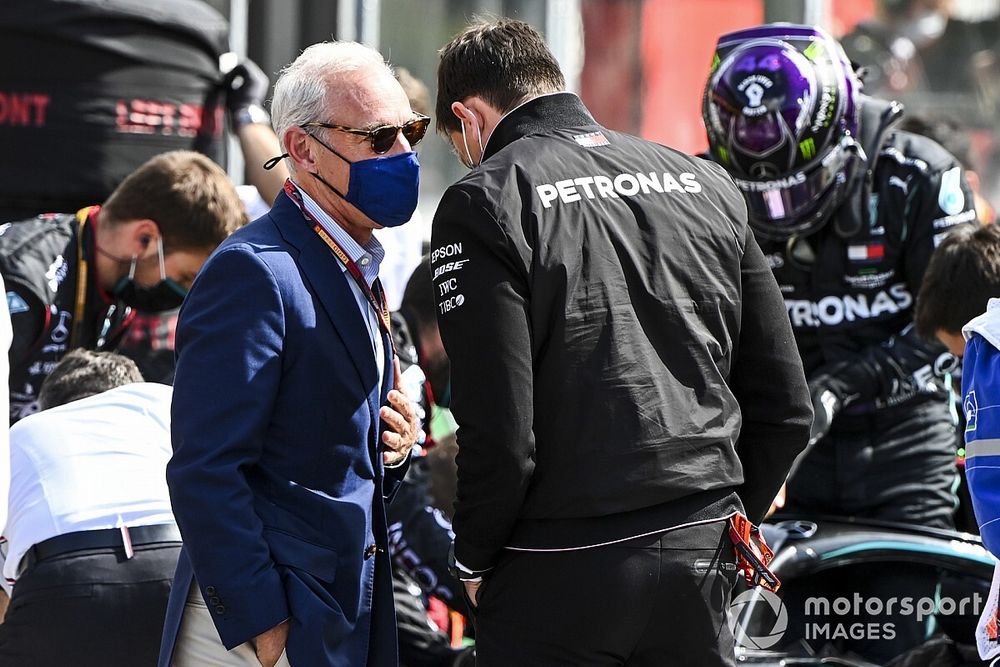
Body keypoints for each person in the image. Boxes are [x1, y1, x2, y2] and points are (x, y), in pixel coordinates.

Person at [432, 19, 812, 666]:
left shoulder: (484, 199)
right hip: (704, 556)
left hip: (557, 569)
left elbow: (500, 431)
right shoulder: (707, 182)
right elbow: (786, 406)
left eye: (460, 142)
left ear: (469, 119)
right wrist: (723, 525)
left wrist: (472, 557)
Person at [702, 23, 978, 660]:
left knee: (889, 645)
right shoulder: (703, 190)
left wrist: (839, 388)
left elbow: (959, 331)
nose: (777, 208)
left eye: (794, 181)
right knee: (771, 651)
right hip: (779, 468)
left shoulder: (920, 178)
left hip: (902, 459)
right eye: (759, 188)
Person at [158, 40, 424, 667]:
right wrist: (263, 621)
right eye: (379, 137)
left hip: (332, 616)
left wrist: (395, 446)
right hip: (266, 631)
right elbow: (206, 469)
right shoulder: (253, 272)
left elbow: (327, 446)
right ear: (303, 148)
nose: (405, 154)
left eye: (412, 131)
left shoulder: (355, 261)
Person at [2, 149, 246, 422]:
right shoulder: (22, 284)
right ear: (145, 238)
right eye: (186, 277)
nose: (186, 292)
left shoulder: (113, 285)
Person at [0, 349, 180, 667]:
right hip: (179, 567)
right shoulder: (164, 401)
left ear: (50, 407)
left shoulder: (23, 432)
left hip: (62, 577)